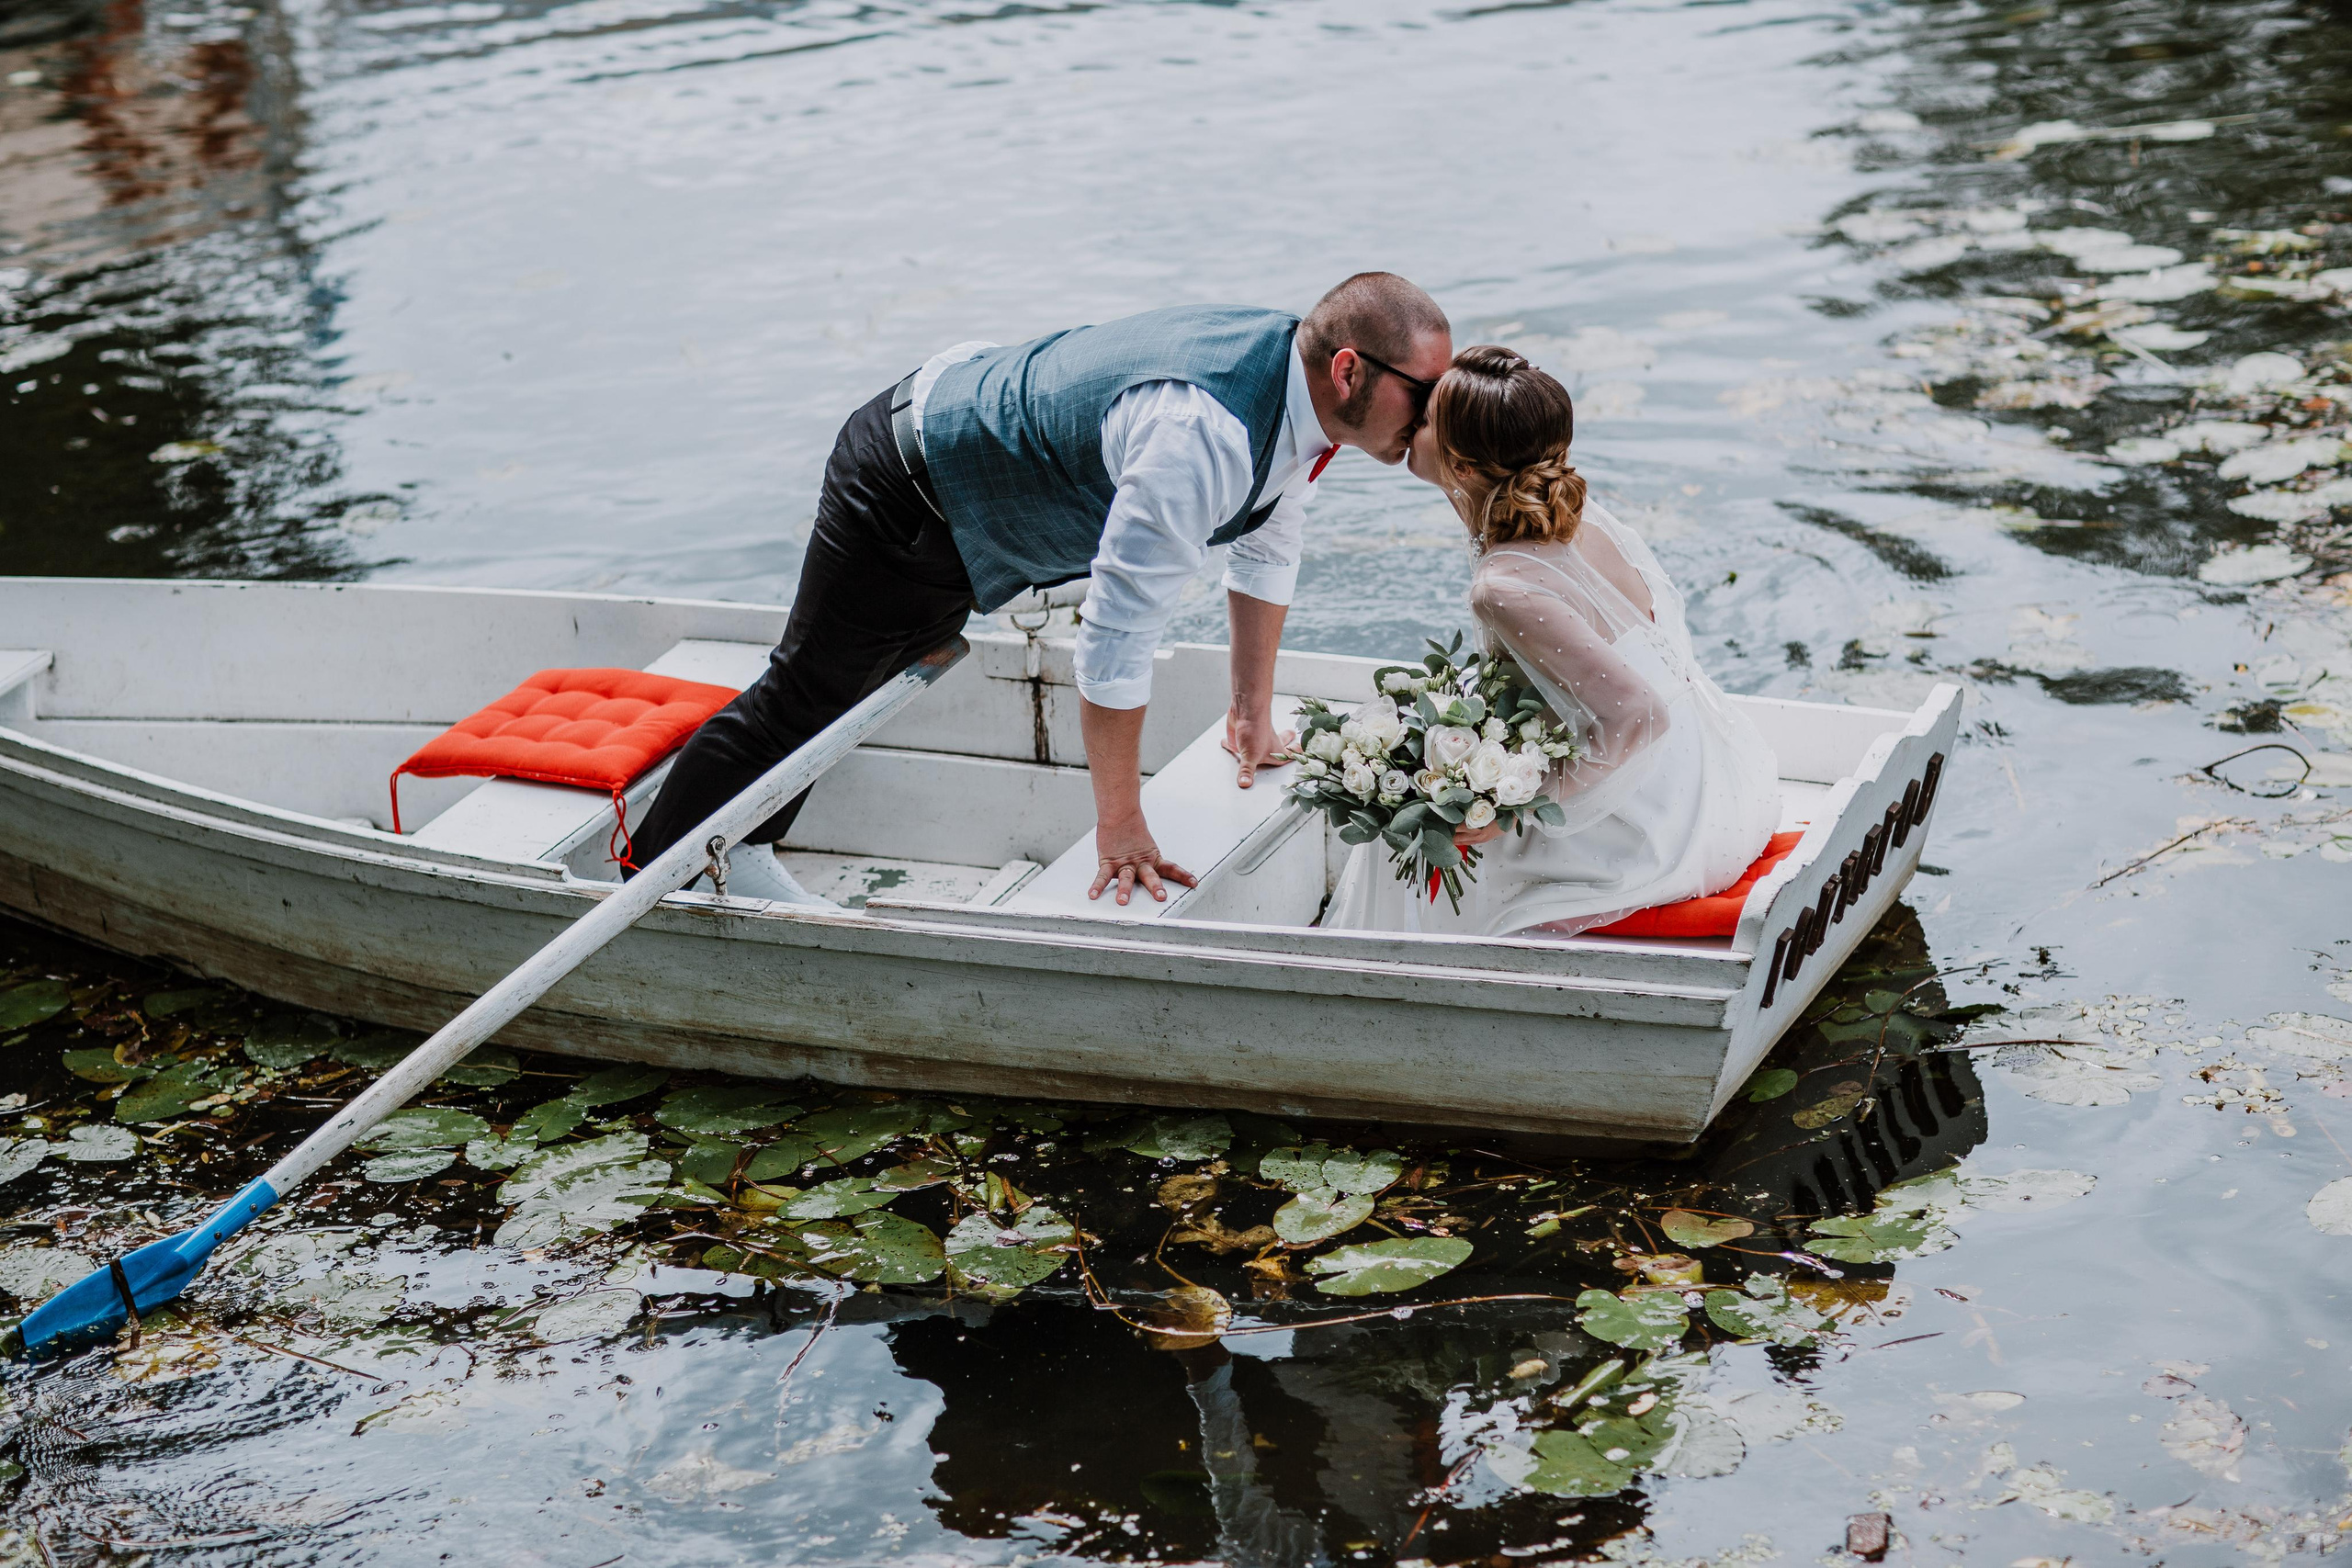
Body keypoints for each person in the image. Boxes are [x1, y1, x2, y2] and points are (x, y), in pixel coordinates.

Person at [627, 274, 1452, 907]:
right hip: (908, 485)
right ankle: (663, 871)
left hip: (965, 489)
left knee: (846, 686)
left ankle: (723, 847)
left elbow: (1269, 537)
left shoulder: (1292, 393)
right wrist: (1120, 823)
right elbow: (1114, 639)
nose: (1433, 415)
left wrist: (1250, 714)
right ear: (1349, 370)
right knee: (809, 698)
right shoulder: (1200, 437)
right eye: (1423, 393)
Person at [1321, 345, 1781, 939]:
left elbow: (1641, 714)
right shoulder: (1580, 516)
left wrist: (1512, 806)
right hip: (1707, 770)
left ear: (1461, 469)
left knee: (1407, 831)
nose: (1413, 422)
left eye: (1428, 419)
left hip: (1659, 823)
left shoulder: (1502, 585)